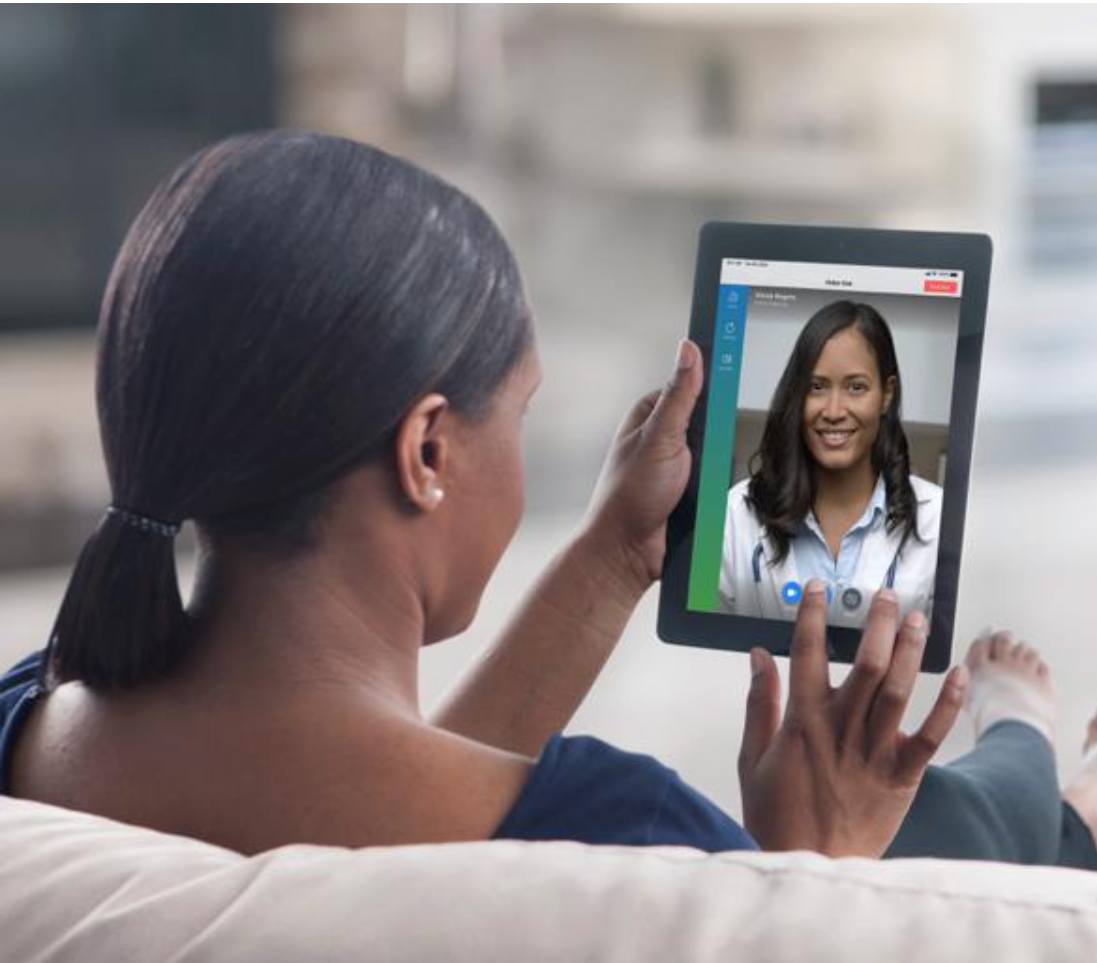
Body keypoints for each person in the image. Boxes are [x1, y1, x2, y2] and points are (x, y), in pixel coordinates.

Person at [0, 130, 1094, 868]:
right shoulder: (631, 842)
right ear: (427, 446)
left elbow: (382, 850)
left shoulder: (28, 730)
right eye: (517, 417)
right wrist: (816, 874)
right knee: (1007, 824)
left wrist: (617, 555)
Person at [719, 301, 941, 627]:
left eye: (856, 387)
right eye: (816, 387)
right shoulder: (737, 511)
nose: (834, 410)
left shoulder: (938, 517)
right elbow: (708, 651)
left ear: (886, 394)